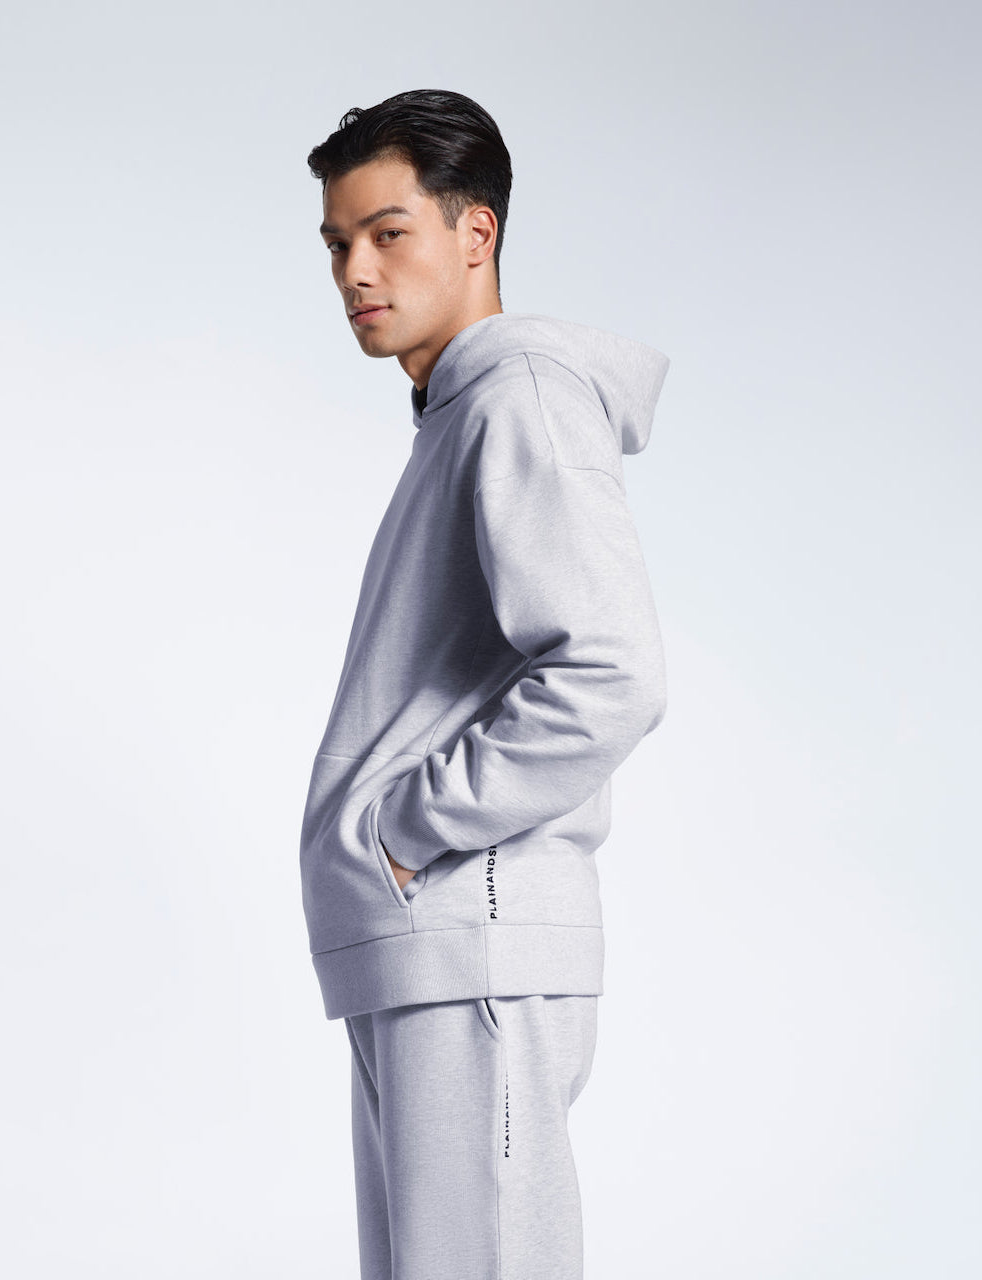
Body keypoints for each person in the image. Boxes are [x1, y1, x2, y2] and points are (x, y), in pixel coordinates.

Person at [300, 88, 670, 1280]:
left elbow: (610, 670)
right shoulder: (457, 417)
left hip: (473, 942)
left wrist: (405, 831)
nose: (356, 270)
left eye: (387, 232)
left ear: (476, 232)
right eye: (337, 243)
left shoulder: (522, 400)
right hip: (430, 943)